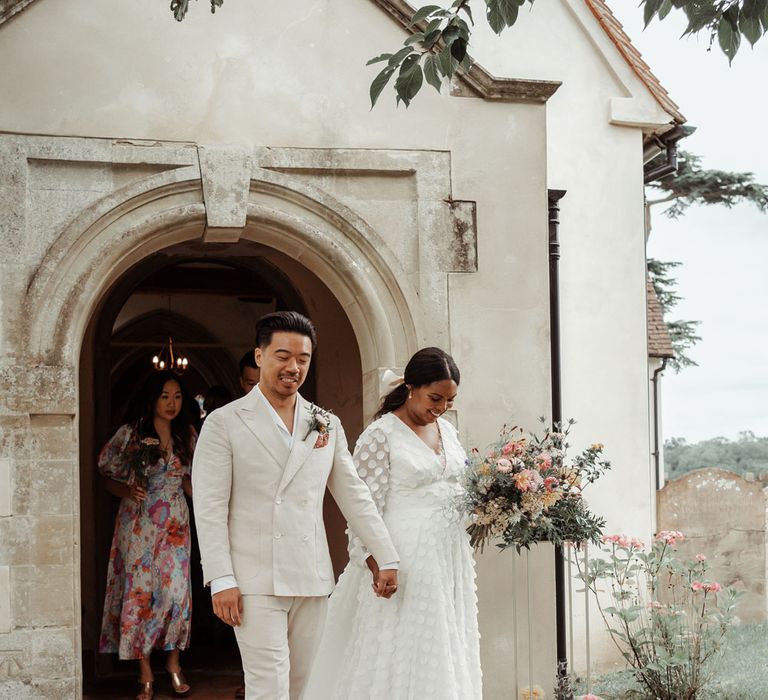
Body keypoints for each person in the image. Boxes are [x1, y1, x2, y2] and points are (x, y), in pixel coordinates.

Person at [192, 311, 400, 700]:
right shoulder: (224, 423)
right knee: (268, 686)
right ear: (259, 356)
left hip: (311, 573)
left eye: (303, 358)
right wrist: (221, 578)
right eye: (283, 355)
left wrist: (385, 555)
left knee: (305, 686)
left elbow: (353, 493)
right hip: (253, 579)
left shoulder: (325, 423)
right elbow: (209, 507)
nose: (293, 367)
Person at [303, 347, 482, 700]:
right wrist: (376, 562)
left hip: (449, 559)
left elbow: (463, 485)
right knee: (407, 646)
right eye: (435, 398)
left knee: (446, 644)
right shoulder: (380, 435)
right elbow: (361, 508)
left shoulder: (447, 431)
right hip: (403, 558)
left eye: (449, 400)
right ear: (411, 387)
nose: (441, 408)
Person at [98, 371, 198, 700]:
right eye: (165, 396)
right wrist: (127, 490)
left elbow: (188, 481)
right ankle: (144, 670)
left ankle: (173, 662)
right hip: (139, 524)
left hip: (175, 525)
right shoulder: (133, 433)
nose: (171, 403)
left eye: (177, 396)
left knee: (174, 593)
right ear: (153, 397)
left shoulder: (187, 434)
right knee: (141, 594)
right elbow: (106, 475)